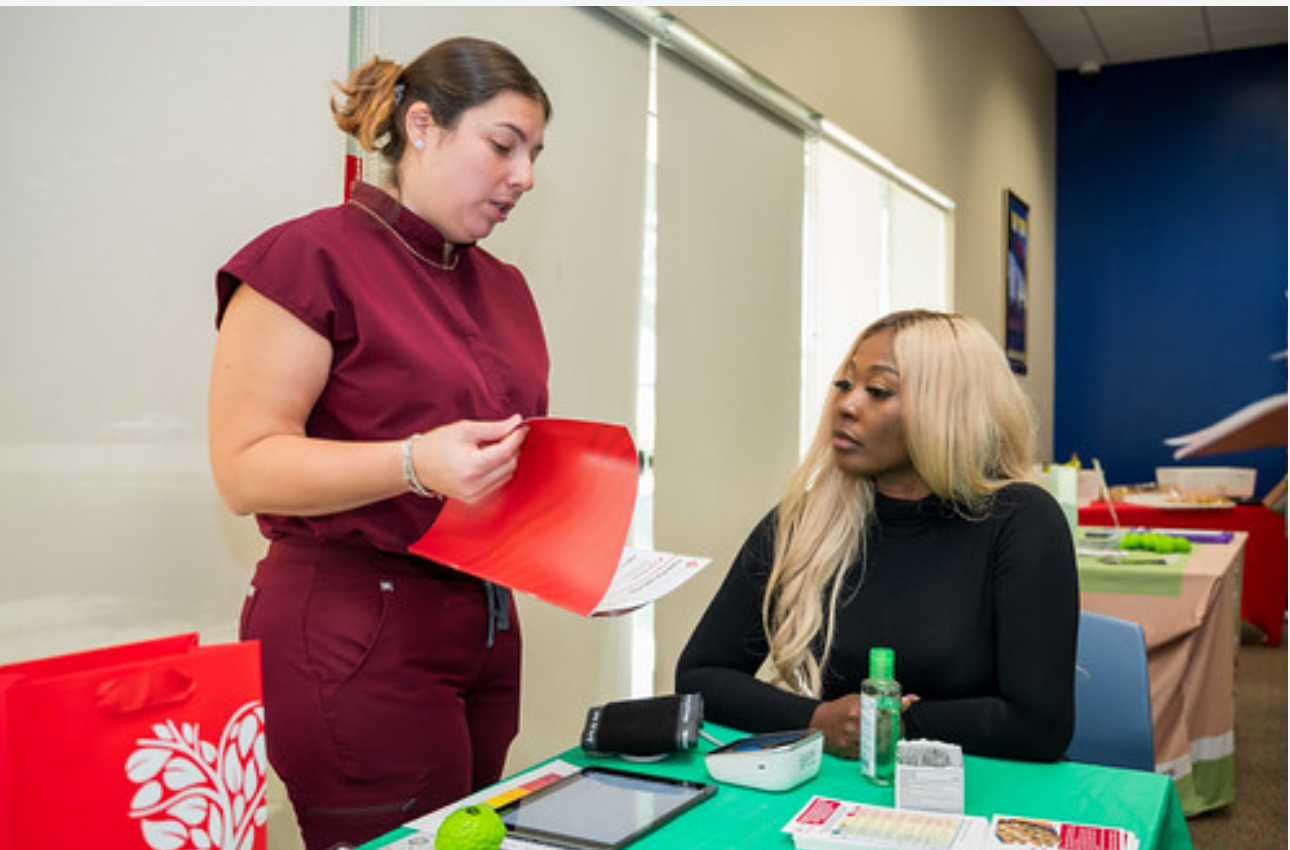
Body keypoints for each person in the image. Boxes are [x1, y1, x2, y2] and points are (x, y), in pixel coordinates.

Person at [208, 38, 552, 850]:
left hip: (482, 622)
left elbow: (497, 467)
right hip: (356, 630)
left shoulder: (504, 287)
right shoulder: (308, 256)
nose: (525, 177)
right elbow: (244, 466)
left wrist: (577, 548)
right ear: (423, 126)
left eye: (535, 154)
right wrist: (412, 461)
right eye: (504, 146)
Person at [676, 309, 1078, 763]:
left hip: (981, 797)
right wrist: (817, 720)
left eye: (878, 391)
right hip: (836, 800)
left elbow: (1039, 725)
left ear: (947, 410)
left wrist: (891, 723)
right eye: (844, 385)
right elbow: (700, 675)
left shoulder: (1021, 521)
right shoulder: (806, 522)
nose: (847, 405)